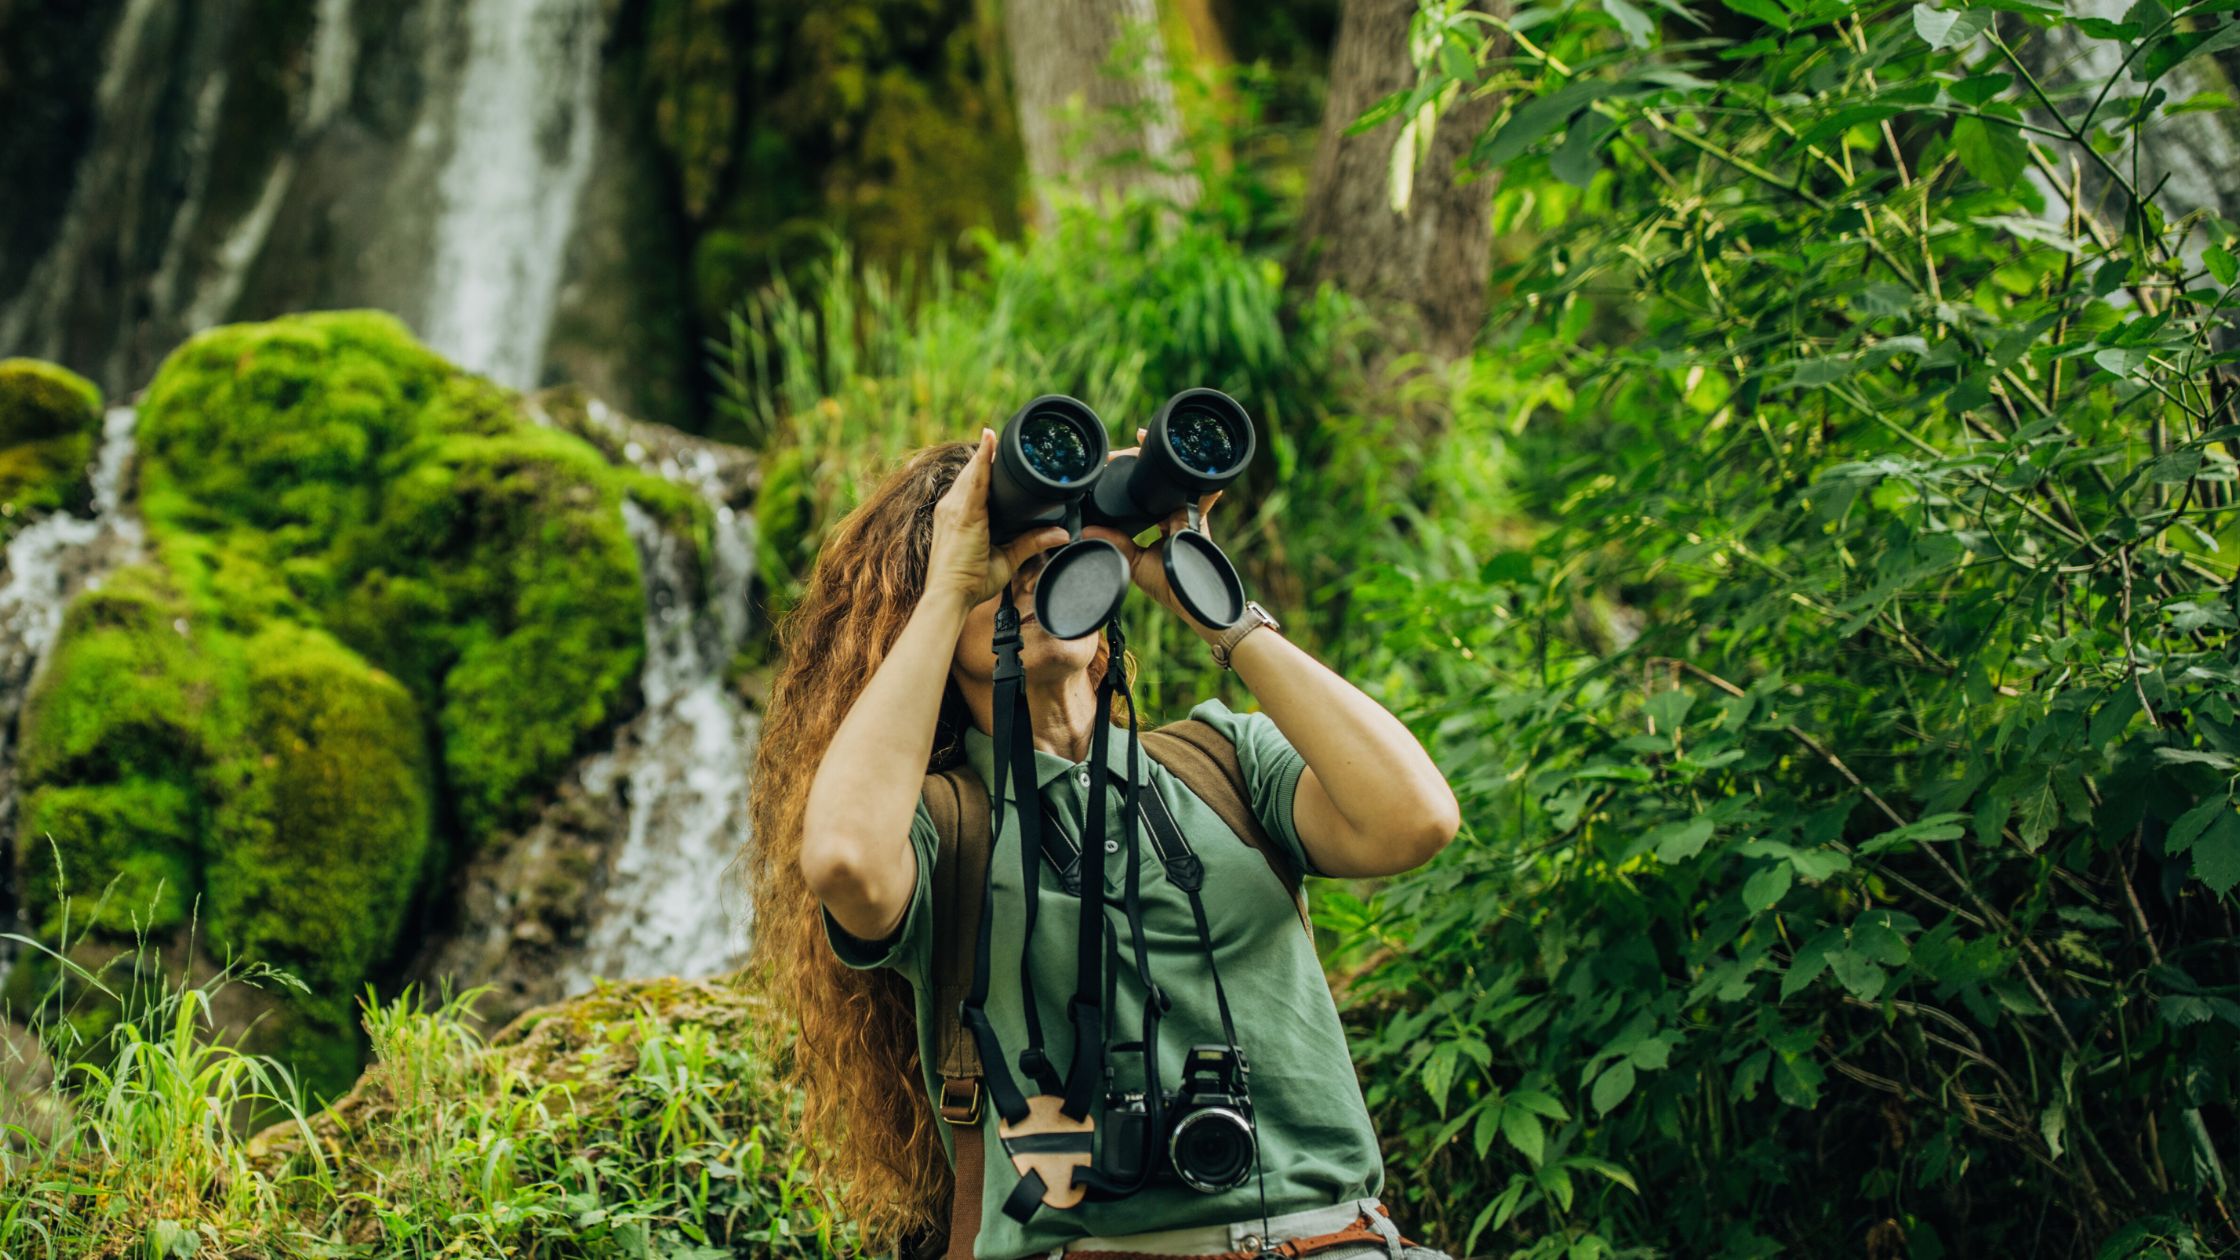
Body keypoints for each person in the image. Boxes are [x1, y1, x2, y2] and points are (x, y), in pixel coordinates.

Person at [747, 425, 1462, 1260]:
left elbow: (1415, 820)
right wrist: (948, 585)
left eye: (1056, 552)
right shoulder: (942, 830)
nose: (1032, 571)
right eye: (1004, 557)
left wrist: (1212, 603)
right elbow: (841, 860)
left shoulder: (1223, 765)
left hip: (1337, 1243)